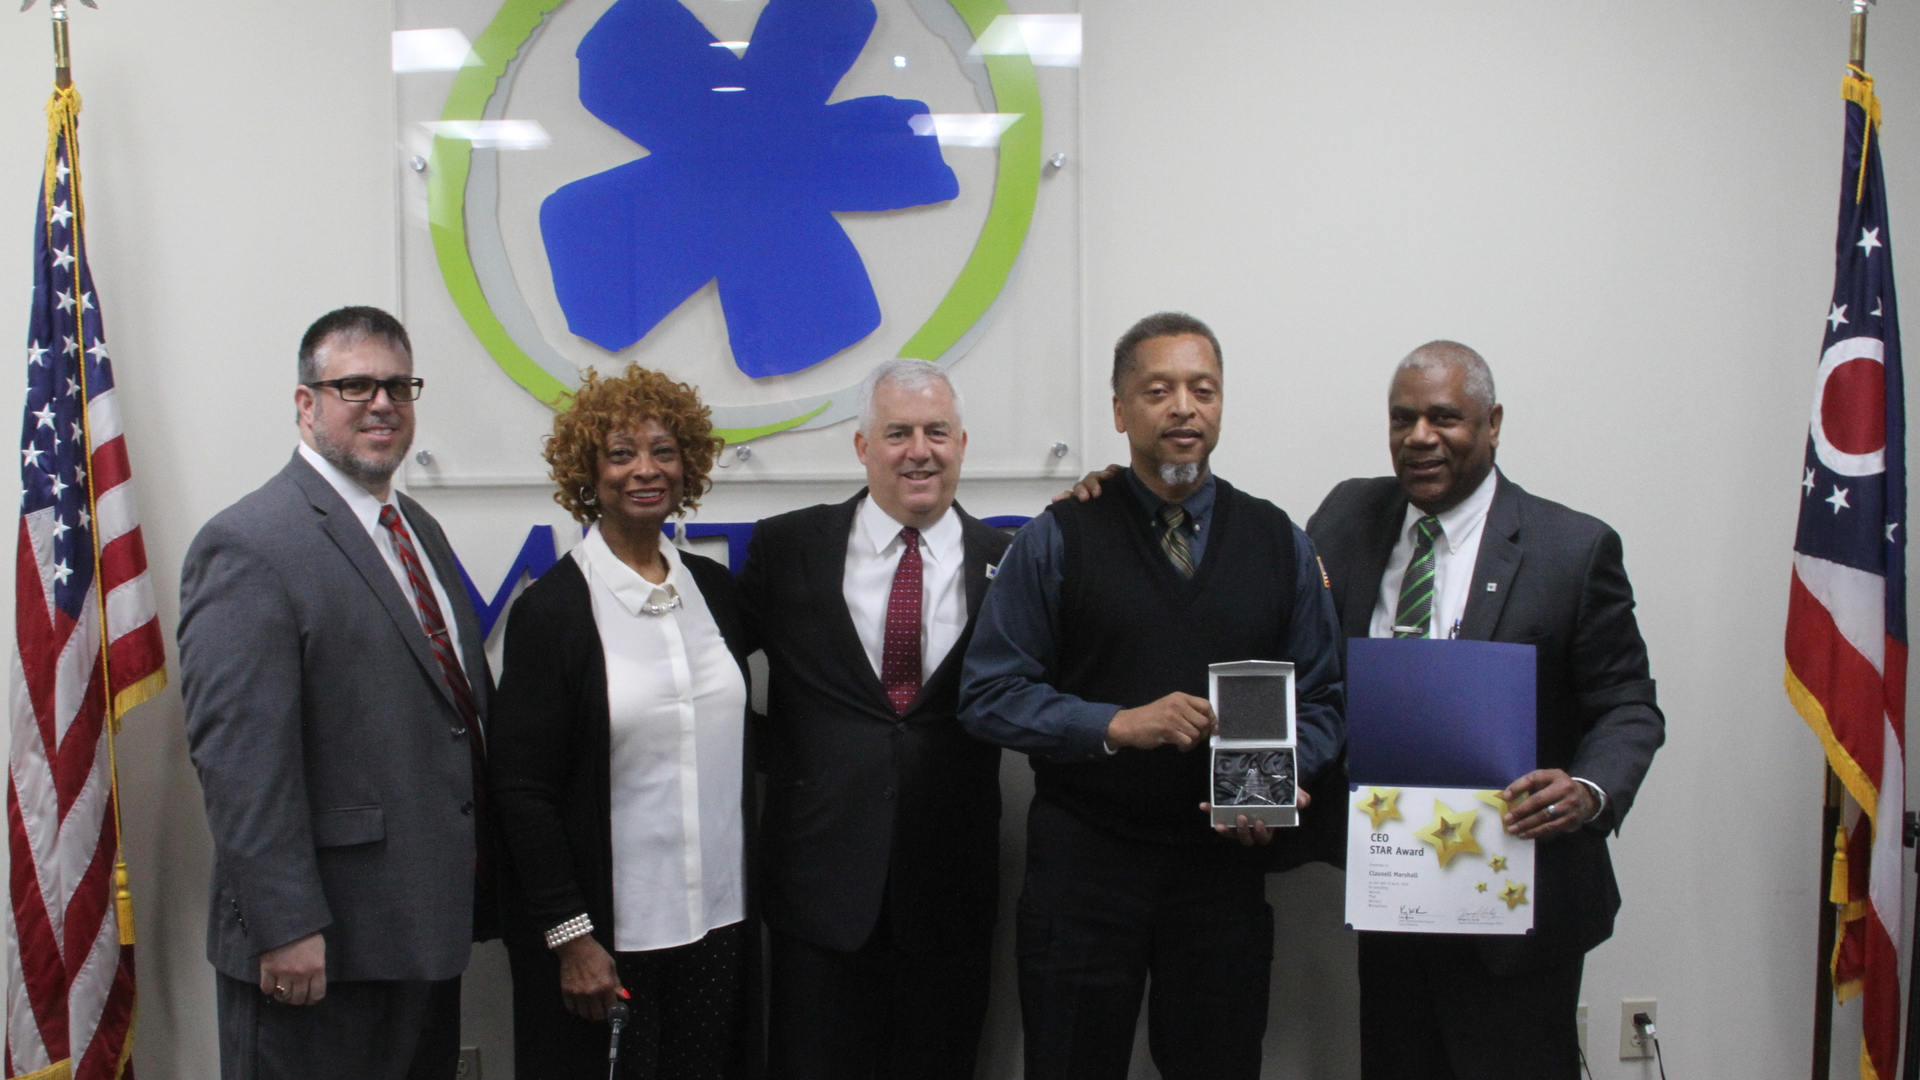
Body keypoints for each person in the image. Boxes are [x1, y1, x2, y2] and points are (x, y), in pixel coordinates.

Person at [958, 312, 1345, 1080]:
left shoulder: (1279, 542)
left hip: (1223, 874)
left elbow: (1324, 699)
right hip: (1084, 871)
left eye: (1203, 389)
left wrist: (1280, 790)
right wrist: (1116, 725)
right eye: (1158, 389)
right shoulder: (1060, 535)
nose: (1183, 408)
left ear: (1222, 405)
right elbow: (987, 694)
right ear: (1120, 411)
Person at [1306, 340, 1664, 1079]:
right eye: (1402, 418)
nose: (1419, 437)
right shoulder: (1348, 515)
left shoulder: (1572, 548)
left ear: (1493, 423)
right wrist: (1122, 485)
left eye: (1445, 417)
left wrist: (1589, 790)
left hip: (1518, 908)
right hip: (1394, 896)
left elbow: (1629, 704)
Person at [179, 306, 493, 1080]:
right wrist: (285, 926)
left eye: (397, 385)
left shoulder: (413, 525)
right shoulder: (251, 543)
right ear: (305, 403)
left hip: (419, 933)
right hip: (321, 949)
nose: (381, 403)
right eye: (354, 385)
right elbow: (239, 760)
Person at [488, 365, 756, 1079]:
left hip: (721, 924)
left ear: (688, 464)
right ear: (588, 470)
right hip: (612, 942)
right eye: (621, 452)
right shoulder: (553, 613)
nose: (646, 469)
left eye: (664, 451)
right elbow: (522, 789)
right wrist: (571, 937)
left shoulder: (714, 591)